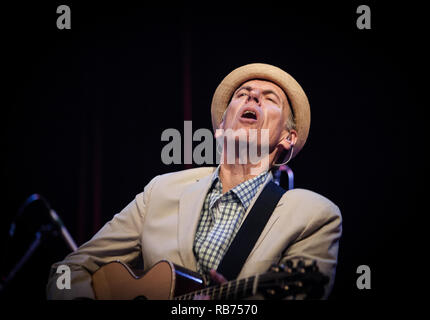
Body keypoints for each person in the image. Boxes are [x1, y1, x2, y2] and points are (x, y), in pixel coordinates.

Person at [46, 63, 342, 300]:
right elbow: (70, 270)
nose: (252, 97)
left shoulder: (313, 215)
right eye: (242, 94)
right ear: (221, 126)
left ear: (288, 139)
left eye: (270, 98)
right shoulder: (161, 190)